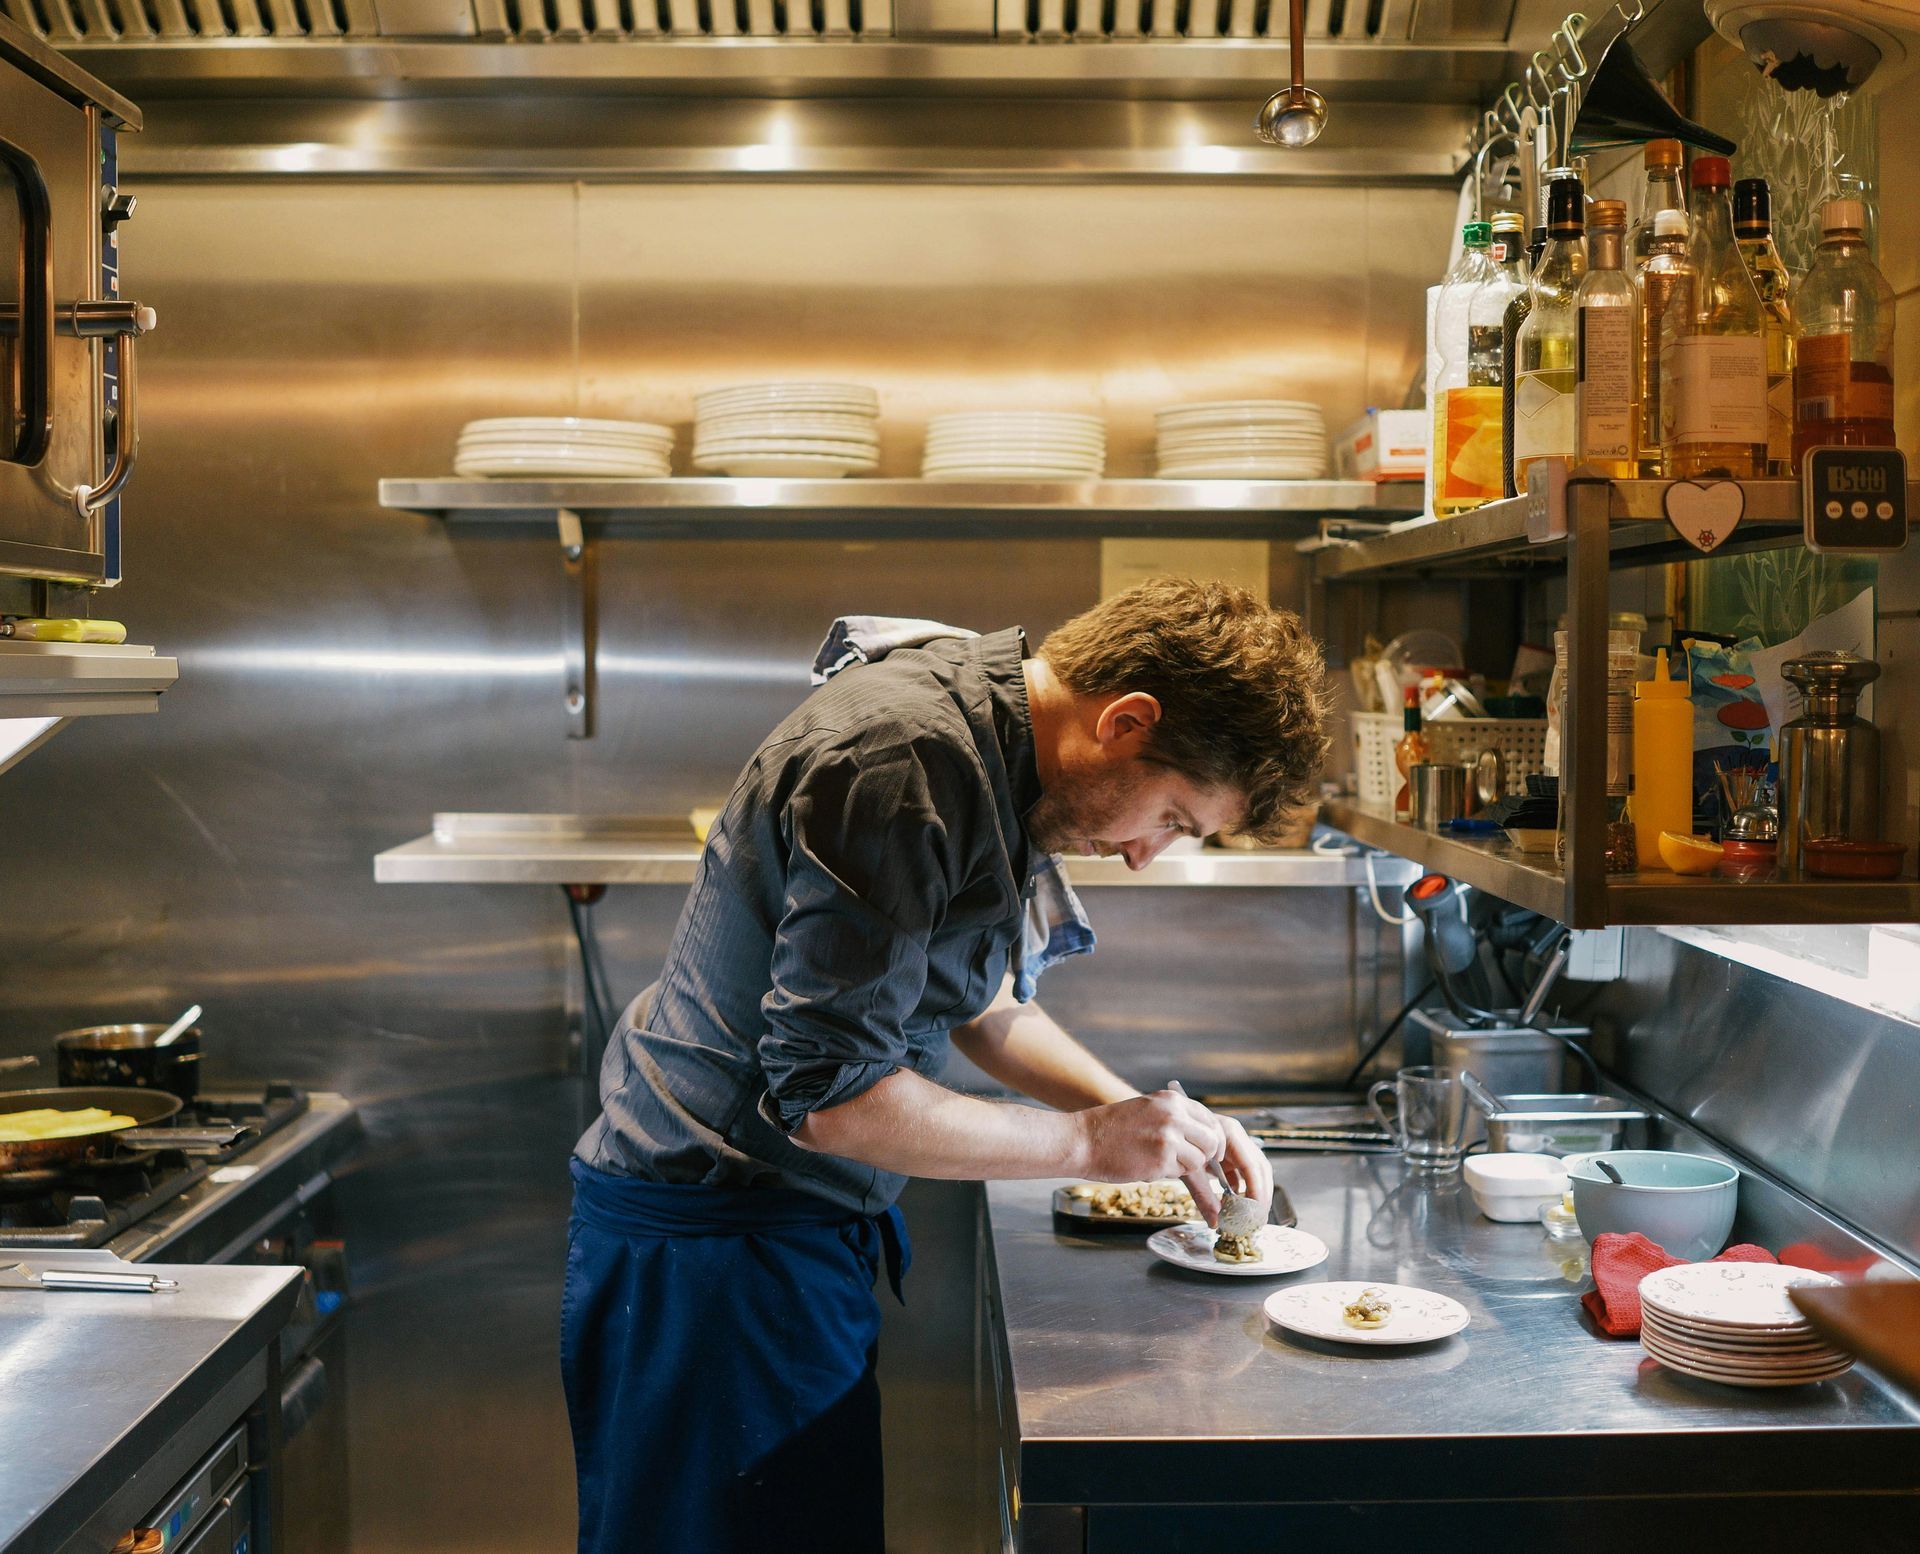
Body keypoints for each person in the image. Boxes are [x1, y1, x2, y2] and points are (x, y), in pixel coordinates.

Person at [562, 576, 1330, 1554]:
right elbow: (832, 1099)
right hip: (714, 1255)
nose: (1147, 856)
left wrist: (1150, 1119)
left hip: (777, 1233)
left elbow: (978, 1002)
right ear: (1125, 722)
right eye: (1174, 818)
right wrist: (1089, 1145)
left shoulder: (1000, 743)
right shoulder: (904, 760)